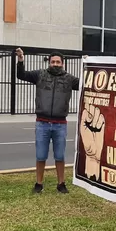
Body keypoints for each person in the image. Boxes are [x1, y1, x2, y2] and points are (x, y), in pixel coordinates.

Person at [15, 48, 80, 194]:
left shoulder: (69, 79)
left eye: (58, 62)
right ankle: (39, 183)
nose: (55, 64)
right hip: (42, 123)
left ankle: (61, 183)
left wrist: (88, 65)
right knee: (41, 155)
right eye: (53, 62)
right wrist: (20, 60)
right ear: (49, 63)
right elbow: (21, 75)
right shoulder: (40, 75)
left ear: (63, 64)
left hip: (60, 124)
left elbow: (85, 83)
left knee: (60, 156)